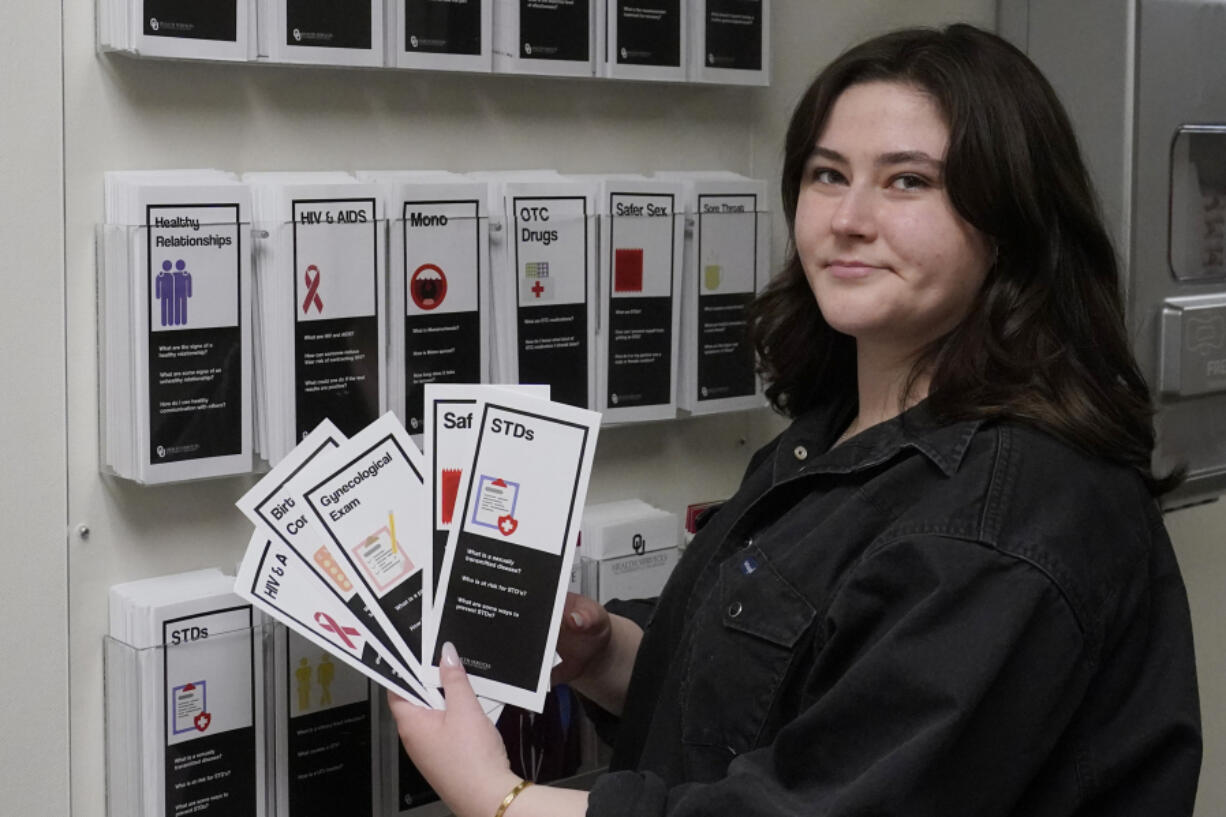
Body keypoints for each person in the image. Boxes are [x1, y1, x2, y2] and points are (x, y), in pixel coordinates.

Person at [389, 23, 1203, 817]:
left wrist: (498, 797)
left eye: (907, 180)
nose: (848, 218)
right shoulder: (837, 431)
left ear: (1012, 222)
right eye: (826, 174)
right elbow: (788, 706)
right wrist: (607, 656)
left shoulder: (1008, 521)